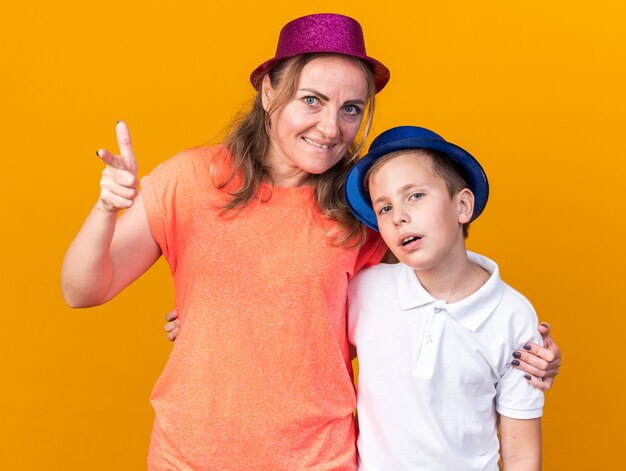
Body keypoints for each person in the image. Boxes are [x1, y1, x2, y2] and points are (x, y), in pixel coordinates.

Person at [61, 13, 560, 470]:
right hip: (188, 454)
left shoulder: (364, 212)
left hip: (319, 458)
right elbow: (82, 290)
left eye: (350, 109)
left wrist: (520, 348)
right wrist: (107, 210)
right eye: (312, 100)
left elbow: (436, 301)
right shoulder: (189, 180)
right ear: (269, 93)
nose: (330, 127)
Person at [344, 125, 546, 470]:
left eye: (415, 196)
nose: (399, 217)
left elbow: (521, 452)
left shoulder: (512, 315)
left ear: (462, 205)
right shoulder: (364, 291)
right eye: (384, 207)